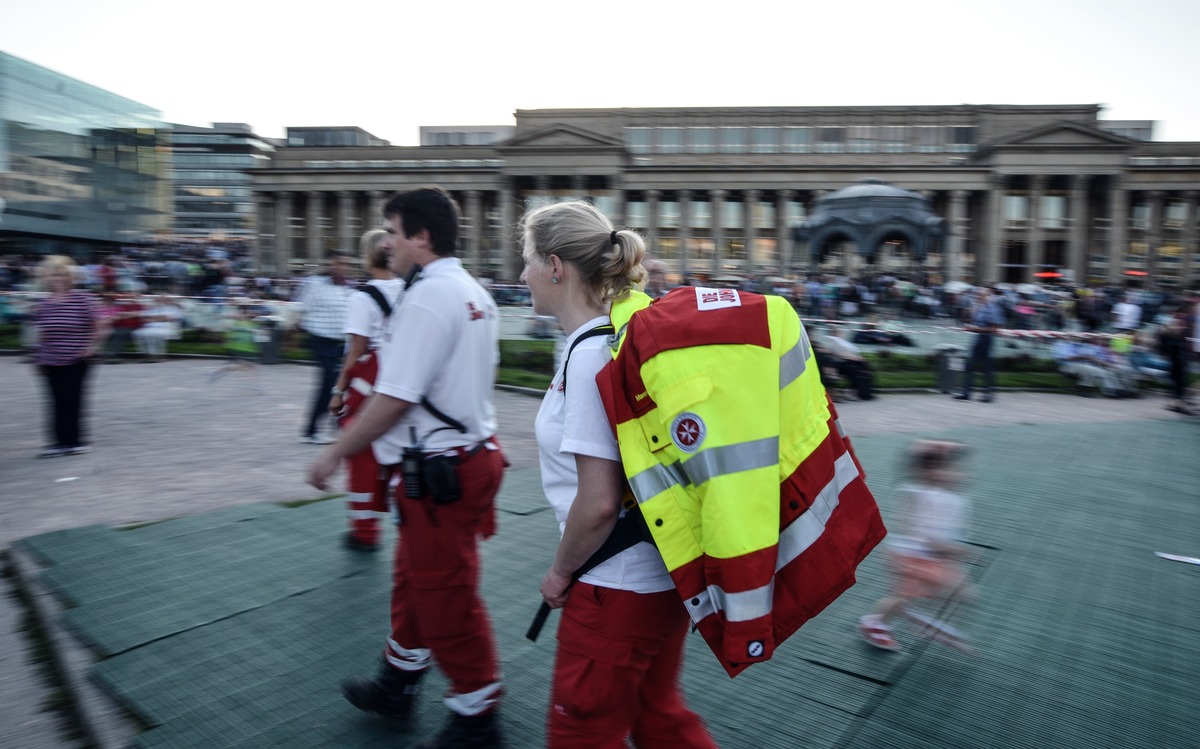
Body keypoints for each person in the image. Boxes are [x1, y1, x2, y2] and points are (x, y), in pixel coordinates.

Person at [307, 187, 507, 749]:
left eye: (393, 231)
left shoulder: (425, 298)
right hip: (463, 458)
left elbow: (394, 398)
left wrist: (334, 452)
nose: (386, 242)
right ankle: (399, 680)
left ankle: (477, 712)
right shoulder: (472, 292)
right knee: (416, 582)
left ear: (420, 236)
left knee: (446, 594)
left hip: (440, 469)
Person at [521, 200, 717, 749]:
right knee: (658, 718)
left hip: (614, 585)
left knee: (581, 732)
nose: (522, 275)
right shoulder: (617, 336)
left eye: (529, 259)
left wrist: (560, 573)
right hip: (661, 571)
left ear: (556, 267)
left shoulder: (589, 357)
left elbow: (600, 500)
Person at [859, 439, 974, 653]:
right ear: (926, 472)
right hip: (912, 558)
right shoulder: (922, 495)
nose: (957, 474)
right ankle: (874, 624)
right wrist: (957, 551)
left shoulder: (947, 496)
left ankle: (911, 620)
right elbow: (926, 535)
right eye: (949, 469)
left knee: (959, 592)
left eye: (957, 469)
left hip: (933, 556)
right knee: (905, 597)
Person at [328, 228, 403, 551]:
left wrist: (338, 391)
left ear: (366, 256)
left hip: (369, 385)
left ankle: (365, 530)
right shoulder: (409, 289)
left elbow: (355, 351)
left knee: (360, 454)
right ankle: (405, 522)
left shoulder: (362, 297)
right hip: (401, 378)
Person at [32, 255, 104, 458]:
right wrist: (37, 357)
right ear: (46, 277)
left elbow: (99, 325)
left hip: (77, 358)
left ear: (71, 276)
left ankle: (75, 441)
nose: (59, 278)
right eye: (54, 274)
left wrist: (91, 347)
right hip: (50, 359)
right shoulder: (44, 304)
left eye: (63, 274)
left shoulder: (83, 299)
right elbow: (40, 334)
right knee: (55, 400)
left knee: (72, 399)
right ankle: (58, 442)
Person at [297, 250, 354, 444]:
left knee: (344, 382)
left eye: (346, 264)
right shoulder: (315, 284)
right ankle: (311, 430)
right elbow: (303, 309)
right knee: (329, 384)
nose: (342, 267)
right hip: (321, 339)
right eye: (338, 263)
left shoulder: (348, 288)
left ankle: (337, 423)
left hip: (340, 343)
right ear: (330, 264)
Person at [954, 286, 1005, 403]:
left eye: (980, 295)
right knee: (969, 365)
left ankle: (988, 394)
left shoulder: (993, 308)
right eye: (977, 295)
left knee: (987, 368)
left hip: (987, 339)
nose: (978, 297)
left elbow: (995, 328)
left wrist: (978, 328)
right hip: (978, 337)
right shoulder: (980, 307)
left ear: (988, 295)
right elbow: (972, 321)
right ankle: (966, 392)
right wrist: (969, 313)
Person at [131, 295, 182, 362]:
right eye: (158, 299)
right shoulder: (152, 309)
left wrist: (152, 318)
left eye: (162, 299)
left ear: (168, 300)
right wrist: (158, 318)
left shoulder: (172, 309)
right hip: (149, 328)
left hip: (165, 328)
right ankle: (145, 354)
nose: (159, 301)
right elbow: (144, 318)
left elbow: (167, 318)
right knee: (137, 333)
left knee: (150, 334)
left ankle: (155, 355)